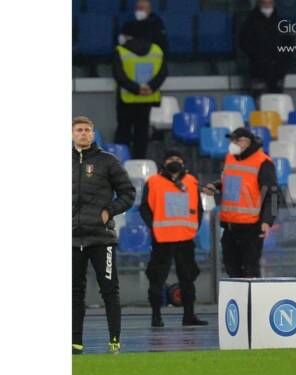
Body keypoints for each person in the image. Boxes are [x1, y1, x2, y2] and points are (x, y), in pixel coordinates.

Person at [72, 116, 136, 354]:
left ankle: (114, 340)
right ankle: (75, 342)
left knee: (109, 290)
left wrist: (110, 211)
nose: (83, 134)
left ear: (93, 133)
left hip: (101, 238)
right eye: (79, 130)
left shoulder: (108, 161)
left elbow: (128, 193)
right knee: (74, 292)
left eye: (87, 130)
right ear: (71, 134)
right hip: (71, 239)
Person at [140, 150, 208, 328]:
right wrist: (153, 227)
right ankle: (156, 316)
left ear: (184, 162)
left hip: (185, 239)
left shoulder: (192, 181)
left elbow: (199, 208)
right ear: (163, 163)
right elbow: (144, 208)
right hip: (162, 239)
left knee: (188, 279)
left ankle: (189, 315)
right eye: (170, 159)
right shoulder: (153, 181)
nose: (174, 161)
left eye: (178, 158)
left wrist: (194, 227)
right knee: (156, 279)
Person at [202, 128, 278, 278]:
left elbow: (273, 195)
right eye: (233, 140)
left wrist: (267, 221)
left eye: (239, 140)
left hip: (251, 228)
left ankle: (252, 302)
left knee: (250, 270)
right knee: (232, 269)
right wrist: (216, 186)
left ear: (249, 142)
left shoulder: (263, 162)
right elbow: (229, 182)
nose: (234, 144)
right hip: (230, 226)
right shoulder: (230, 158)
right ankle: (239, 302)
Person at [112, 32, 167, 159]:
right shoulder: (157, 50)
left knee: (123, 132)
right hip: (148, 99)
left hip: (126, 100)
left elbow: (119, 75)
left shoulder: (120, 50)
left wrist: (137, 89)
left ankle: (120, 162)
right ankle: (139, 163)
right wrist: (150, 87)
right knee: (141, 134)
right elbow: (163, 72)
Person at [239, 0, 292, 98]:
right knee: (259, 102)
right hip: (258, 71)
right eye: (265, 3)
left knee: (276, 102)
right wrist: (256, 56)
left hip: (277, 72)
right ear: (259, 4)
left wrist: (283, 65)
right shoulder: (250, 23)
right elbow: (243, 43)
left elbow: (288, 45)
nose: (267, 6)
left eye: (269, 3)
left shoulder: (280, 23)